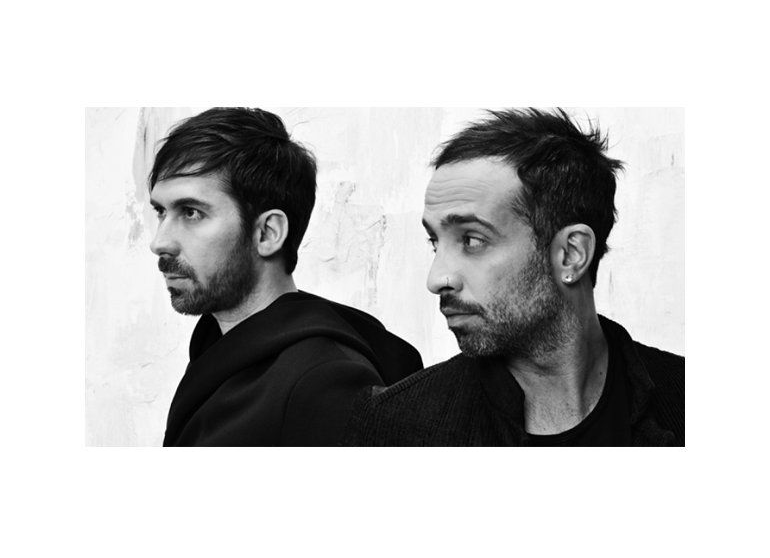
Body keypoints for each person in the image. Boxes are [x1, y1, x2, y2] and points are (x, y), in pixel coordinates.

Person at [344, 108, 684, 446]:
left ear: (571, 254)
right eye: (435, 242)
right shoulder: (397, 427)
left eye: (472, 240)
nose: (436, 279)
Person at [148, 107, 422, 446]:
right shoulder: (218, 348)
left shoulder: (322, 382)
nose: (159, 242)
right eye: (161, 212)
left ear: (268, 233)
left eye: (191, 212)